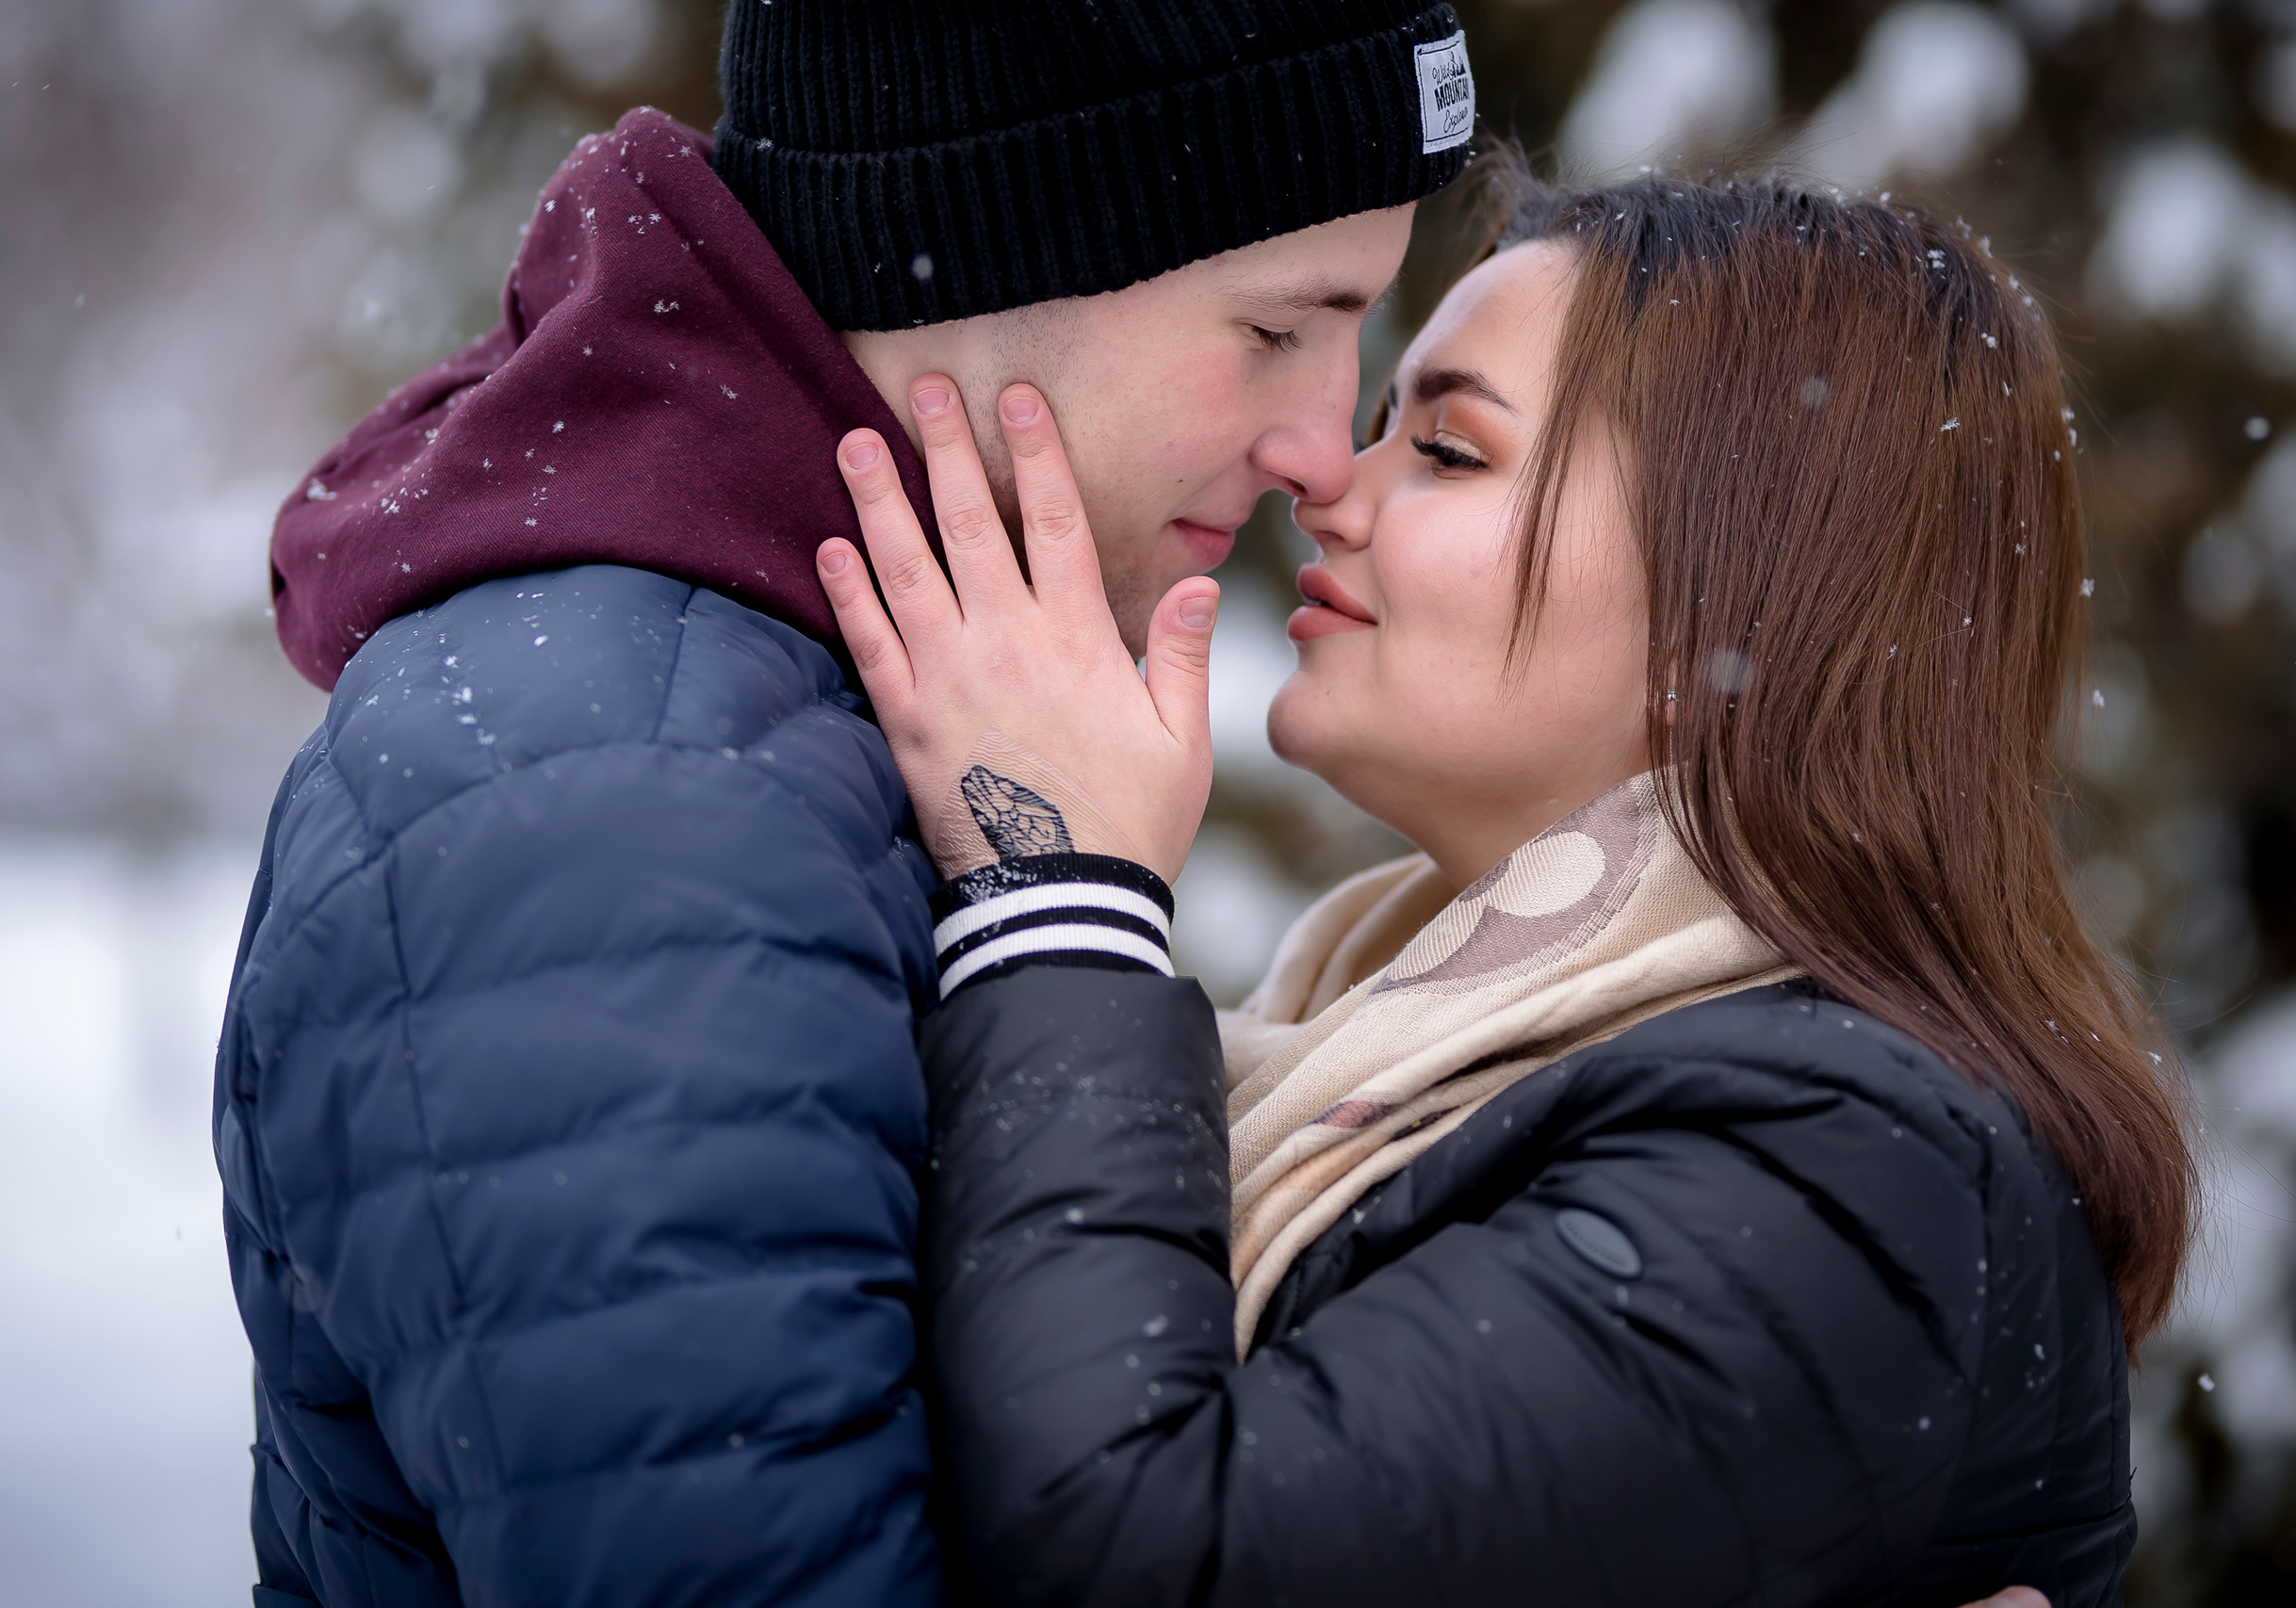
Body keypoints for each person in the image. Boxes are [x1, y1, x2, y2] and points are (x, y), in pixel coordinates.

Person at [212, 5, 1477, 1604]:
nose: (1323, 449)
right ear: (1007, 237)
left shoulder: (796, 712)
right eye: (1280, 327)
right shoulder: (622, 809)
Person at [817, 163, 2196, 1606]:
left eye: (1449, 449)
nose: (1328, 485)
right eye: (1384, 427)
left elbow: (1147, 1559)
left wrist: (1062, 899)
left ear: (1736, 611)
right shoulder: (1453, 1053)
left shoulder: (1853, 1166)